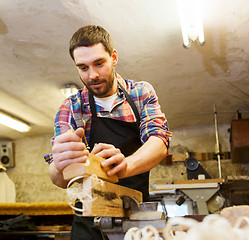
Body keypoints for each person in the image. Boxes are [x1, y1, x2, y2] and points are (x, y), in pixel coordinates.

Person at [48, 25, 171, 240]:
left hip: (135, 213)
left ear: (113, 57)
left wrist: (126, 166)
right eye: (83, 68)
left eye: (99, 63)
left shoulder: (140, 93)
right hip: (90, 218)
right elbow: (59, 179)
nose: (93, 75)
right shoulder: (72, 106)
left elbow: (159, 142)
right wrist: (60, 163)